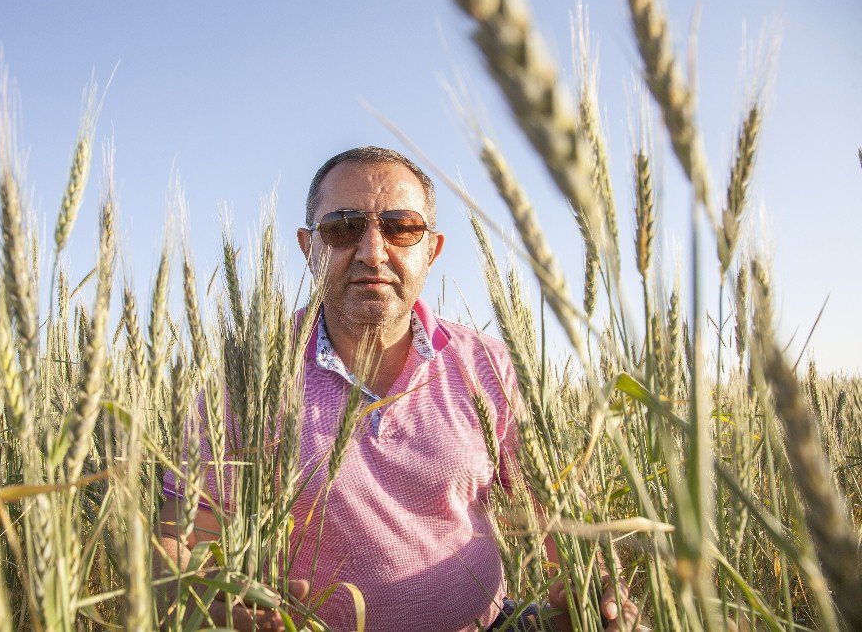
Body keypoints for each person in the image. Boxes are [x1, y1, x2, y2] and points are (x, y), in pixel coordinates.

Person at [158, 146, 639, 631]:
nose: (371, 251)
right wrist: (200, 597)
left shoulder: (488, 364)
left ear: (431, 249)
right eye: (342, 227)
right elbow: (185, 533)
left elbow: (558, 512)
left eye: (401, 227)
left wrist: (594, 585)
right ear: (309, 248)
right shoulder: (248, 378)